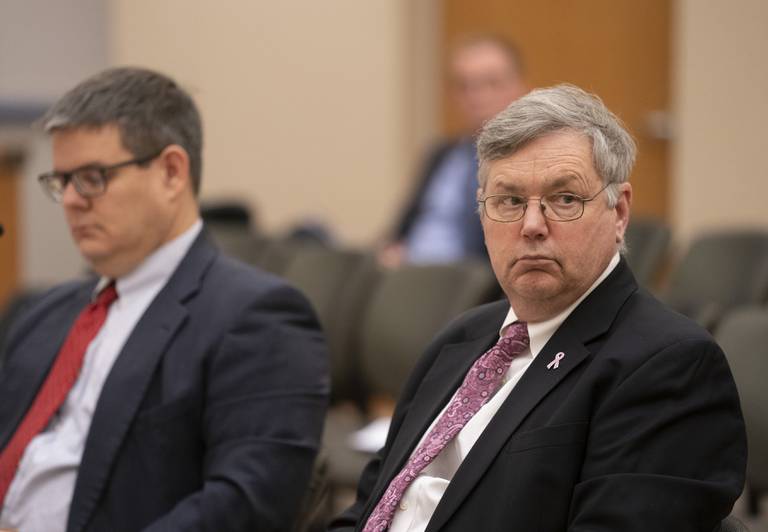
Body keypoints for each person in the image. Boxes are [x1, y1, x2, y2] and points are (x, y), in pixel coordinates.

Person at [330, 84, 746, 531]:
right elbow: (367, 510)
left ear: (619, 212)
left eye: (564, 199)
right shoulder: (459, 339)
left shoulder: (670, 366)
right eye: (509, 201)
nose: (531, 226)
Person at [0, 67, 328, 532]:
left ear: (172, 172)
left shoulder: (258, 317)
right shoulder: (44, 314)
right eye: (62, 181)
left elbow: (245, 507)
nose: (71, 200)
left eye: (93, 178)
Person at [380, 35, 527, 266]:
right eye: (465, 86)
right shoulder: (440, 153)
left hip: (466, 284)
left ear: (519, 87)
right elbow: (400, 229)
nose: (478, 97)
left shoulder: (528, 159)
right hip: (406, 272)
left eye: (491, 83)